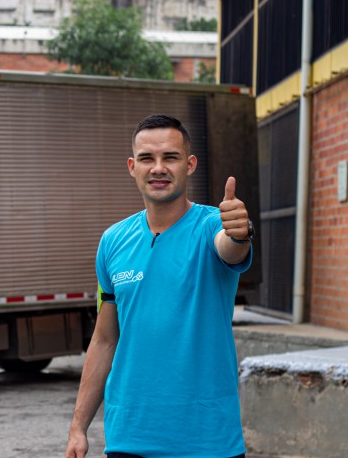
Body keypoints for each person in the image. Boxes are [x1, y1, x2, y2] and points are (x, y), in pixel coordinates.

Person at [65, 115, 253, 458]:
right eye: (147, 159)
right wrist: (78, 427)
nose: (158, 168)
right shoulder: (112, 241)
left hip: (207, 441)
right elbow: (105, 339)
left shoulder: (211, 225)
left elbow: (230, 246)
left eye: (171, 157)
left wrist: (240, 232)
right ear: (132, 166)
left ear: (190, 164)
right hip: (129, 438)